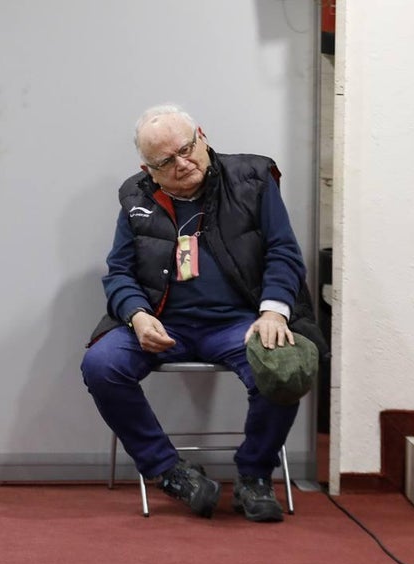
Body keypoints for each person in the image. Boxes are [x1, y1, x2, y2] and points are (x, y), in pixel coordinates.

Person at [80, 104, 324, 523]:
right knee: (101, 365)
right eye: (165, 161)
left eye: (187, 148)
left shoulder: (253, 179)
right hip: (162, 322)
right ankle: (170, 473)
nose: (182, 163)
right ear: (148, 169)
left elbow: (283, 251)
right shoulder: (135, 198)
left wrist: (273, 313)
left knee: (284, 364)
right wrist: (138, 315)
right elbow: (119, 272)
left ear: (202, 136)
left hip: (239, 323)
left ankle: (254, 475)